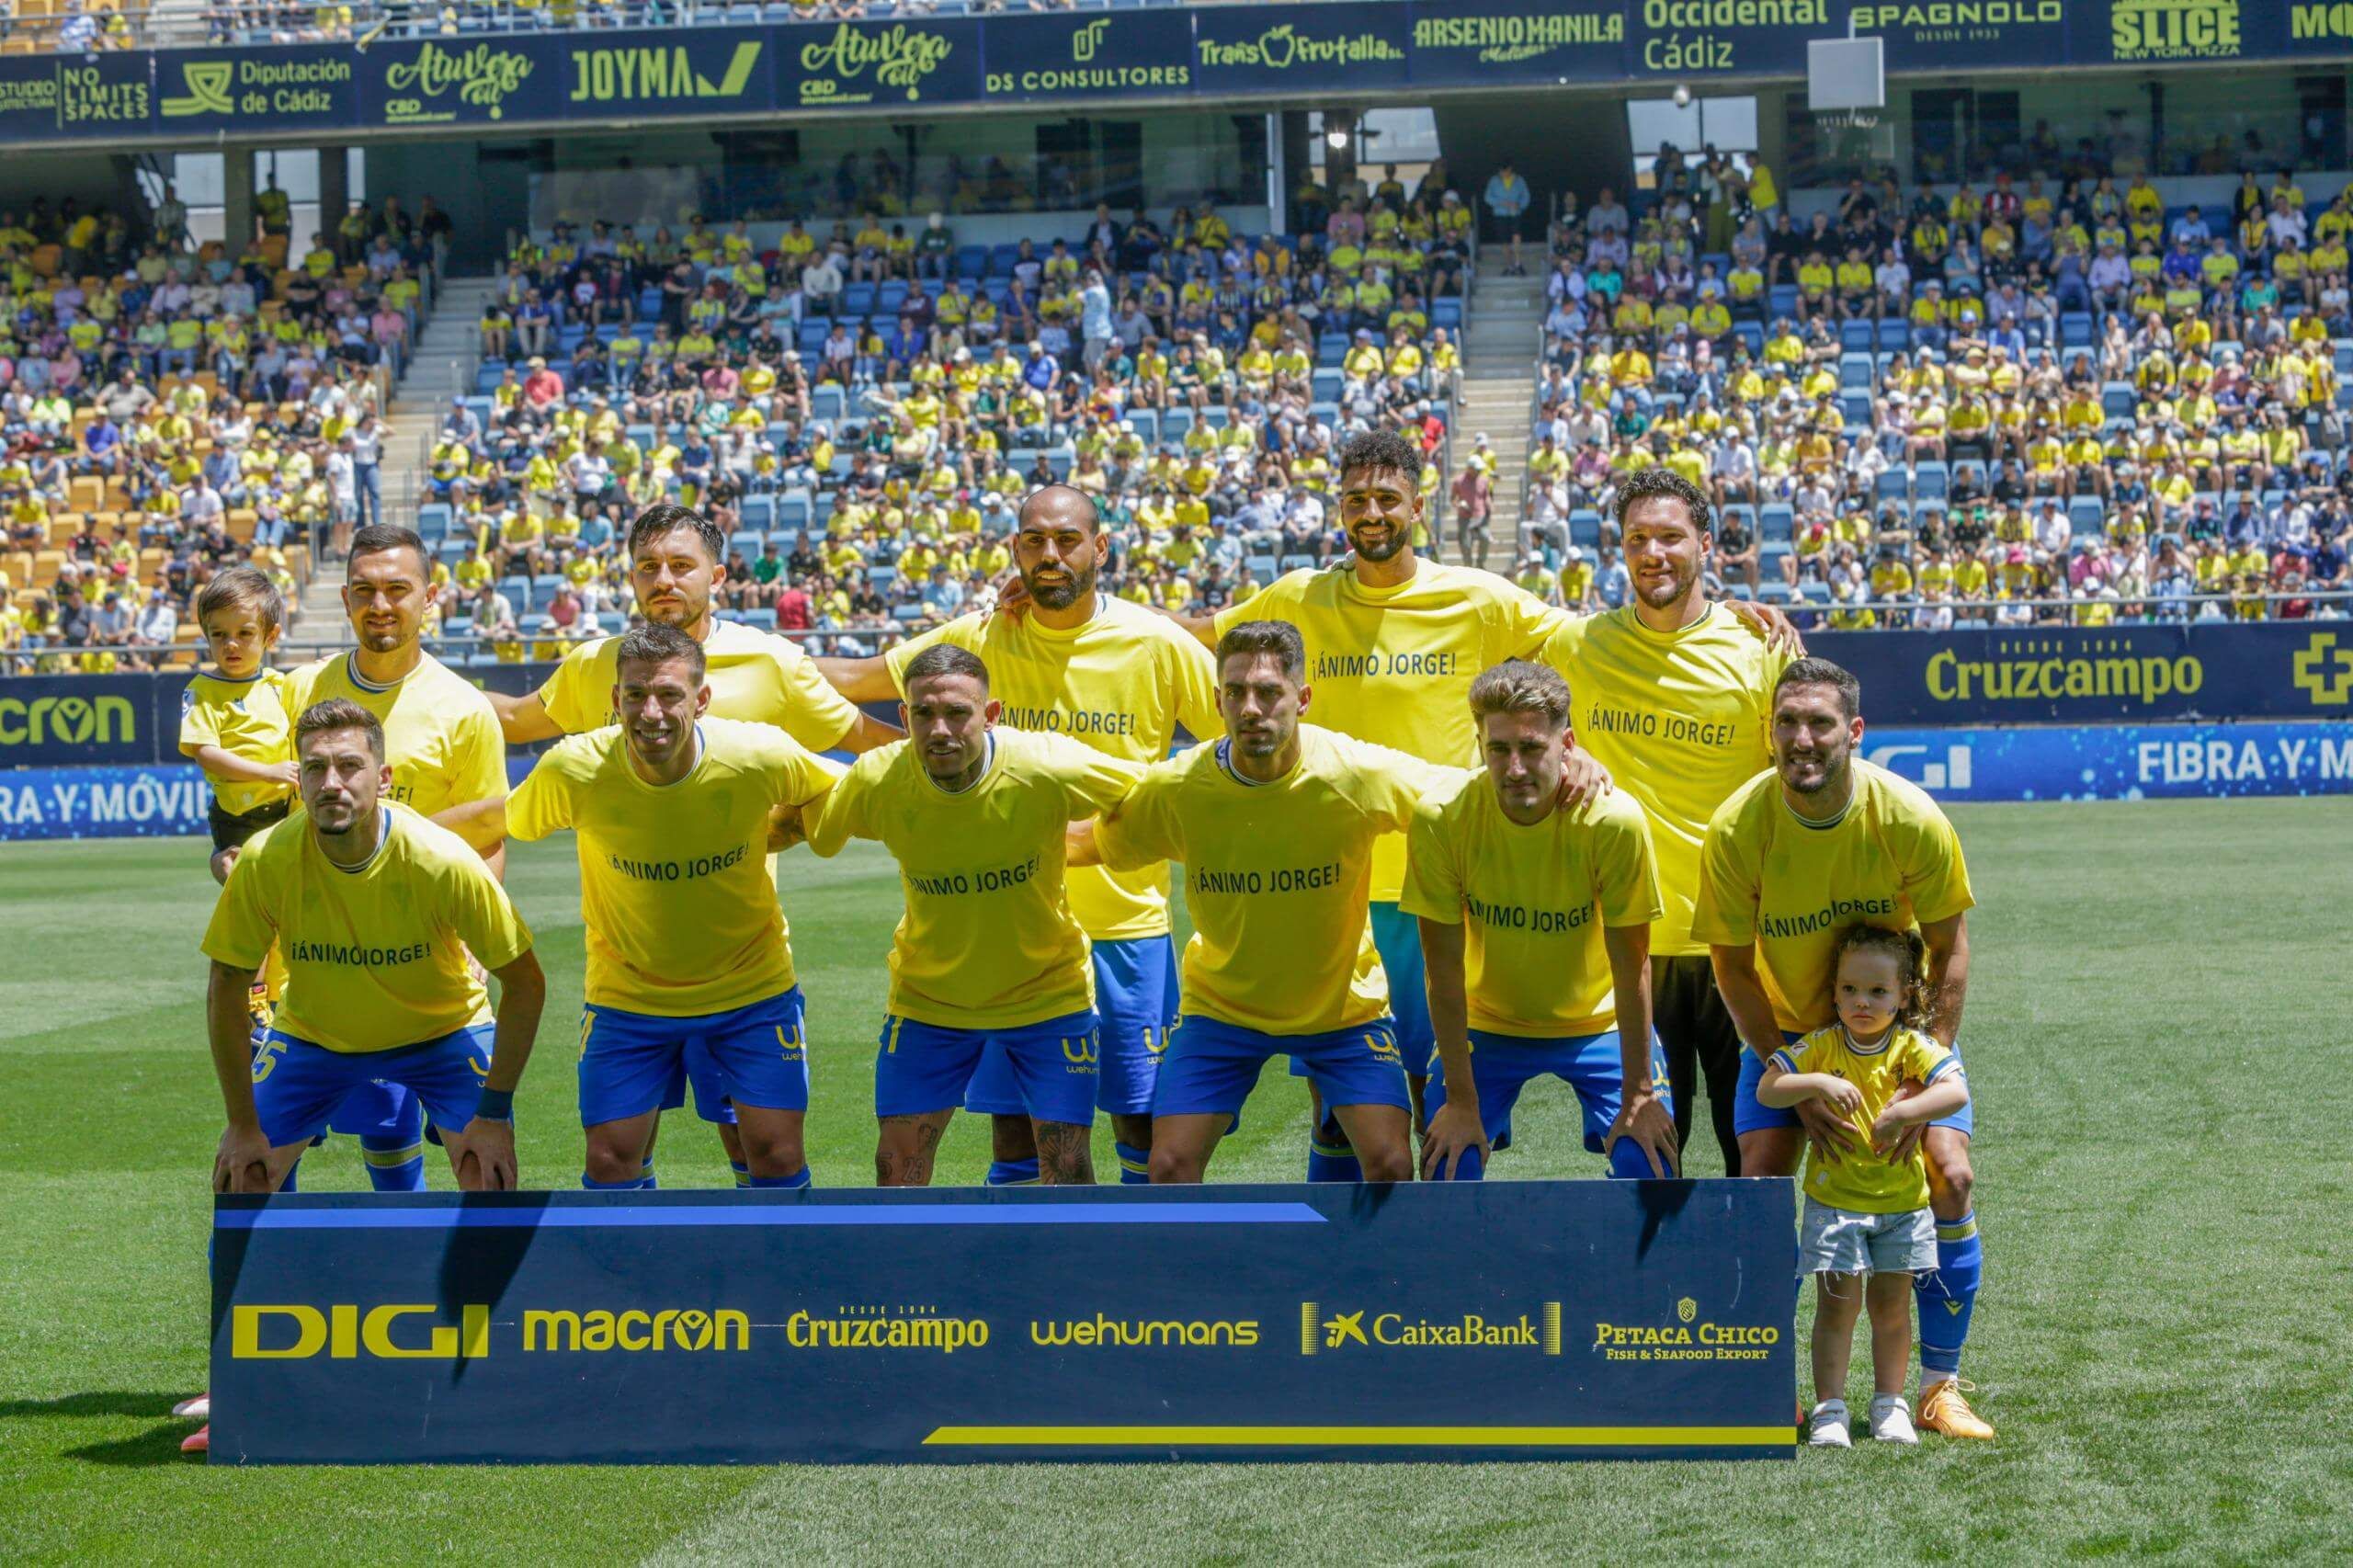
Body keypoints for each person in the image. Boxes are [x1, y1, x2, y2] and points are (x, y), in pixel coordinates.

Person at [815, 484, 1221, 1187]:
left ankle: (1130, 1279)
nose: (1050, 555)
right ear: (1014, 551)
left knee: (1137, 1122)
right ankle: (1019, 1289)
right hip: (1007, 944)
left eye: (1067, 540)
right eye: (1033, 541)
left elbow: (1231, 748)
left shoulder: (1155, 642)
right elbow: (860, 679)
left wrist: (1136, 828)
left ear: (1101, 548)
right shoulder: (978, 636)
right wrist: (726, 654)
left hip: (1122, 924)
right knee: (1015, 1133)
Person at [488, 503, 900, 1187]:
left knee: (754, 1149)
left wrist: (789, 826)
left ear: (718, 573)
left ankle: (761, 1290)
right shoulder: (596, 664)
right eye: (648, 567)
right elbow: (514, 719)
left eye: (682, 566)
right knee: (617, 1158)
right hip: (626, 959)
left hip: (739, 949)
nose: (664, 580)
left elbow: (865, 747)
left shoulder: (772, 662)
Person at [197, 699, 545, 1447]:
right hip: (316, 1036)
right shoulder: (265, 860)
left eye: (349, 765)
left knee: (488, 1172)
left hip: (442, 1030)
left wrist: (496, 1110)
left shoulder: (441, 859)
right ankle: (240, 1379)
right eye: (316, 767)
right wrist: (241, 1121)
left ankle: (492, 1363)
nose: (333, 782)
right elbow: (227, 986)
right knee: (241, 1177)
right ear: (298, 781)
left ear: (382, 777)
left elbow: (527, 982)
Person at [1693, 657, 1995, 1440]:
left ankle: (1937, 1387)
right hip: (1792, 1036)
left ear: (1853, 732)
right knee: (1760, 1182)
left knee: (1951, 1175)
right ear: (1770, 734)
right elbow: (1729, 965)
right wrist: (1786, 1070)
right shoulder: (1736, 827)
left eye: (1820, 722)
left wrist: (1918, 1068)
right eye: (1787, 722)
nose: (1802, 738)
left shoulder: (1908, 817)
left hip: (1896, 1040)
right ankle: (1772, 1388)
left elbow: (1950, 944)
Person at [437, 625, 841, 1191]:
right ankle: (637, 1277)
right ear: (615, 699)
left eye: (670, 695)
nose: (651, 711)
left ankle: (774, 1277)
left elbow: (840, 791)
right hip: (628, 997)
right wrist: (390, 830)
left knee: (775, 1154)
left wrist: (787, 827)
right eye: (635, 695)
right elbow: (495, 819)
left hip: (750, 991)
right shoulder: (574, 769)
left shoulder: (756, 754)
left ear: (701, 700)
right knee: (609, 1161)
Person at [1073, 621, 1453, 1186]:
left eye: (1268, 692)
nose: (1250, 708)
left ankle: (1368, 1272)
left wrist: (1571, 768)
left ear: (1302, 699)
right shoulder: (1180, 786)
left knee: (1392, 1163)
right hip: (1223, 1010)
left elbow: (1462, 795)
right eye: (1234, 692)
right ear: (1218, 699)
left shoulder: (1354, 773)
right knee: (1169, 1165)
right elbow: (1092, 842)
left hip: (1342, 1011)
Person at [800, 645, 1142, 1187]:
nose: (940, 729)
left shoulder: (1044, 764)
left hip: (1046, 996)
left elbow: (1144, 793)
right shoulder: (878, 778)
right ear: (904, 715)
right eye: (922, 714)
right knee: (896, 1170)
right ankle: (909, 1271)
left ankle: (1076, 1270)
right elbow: (817, 827)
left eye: (957, 713)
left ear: (991, 714)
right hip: (929, 999)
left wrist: (1091, 842)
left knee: (1068, 1168)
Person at [1538, 468, 1794, 1178]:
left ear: (1706, 544)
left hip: (1739, 944)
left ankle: (1752, 1293)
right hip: (1630, 946)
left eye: (1671, 536)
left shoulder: (1760, 648)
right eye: (1638, 539)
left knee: (1759, 1155)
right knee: (1648, 1154)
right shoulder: (1577, 647)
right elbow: (1507, 725)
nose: (1654, 552)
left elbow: (1804, 775)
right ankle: (1657, 1296)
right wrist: (1569, 752)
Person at [1403, 661, 1677, 1182]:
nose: (1515, 768)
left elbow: (1634, 965)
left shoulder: (1614, 821)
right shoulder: (1442, 817)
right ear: (1479, 744)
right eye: (1498, 749)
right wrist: (1460, 1101)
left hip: (1598, 1022)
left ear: (1566, 743)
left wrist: (1641, 1095)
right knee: (1447, 1164)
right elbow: (1441, 973)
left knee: (1649, 1165)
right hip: (1488, 1022)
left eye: (1532, 748)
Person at [1760, 925, 1970, 1449]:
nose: (1862, 1002)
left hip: (1903, 1206)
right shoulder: (1822, 1046)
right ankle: (1830, 1410)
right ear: (1833, 992)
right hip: (1834, 1205)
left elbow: (1955, 1090)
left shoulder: (1912, 1048)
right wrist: (1816, 1082)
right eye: (1850, 989)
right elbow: (1769, 1088)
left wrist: (1905, 1112)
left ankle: (1890, 1406)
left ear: (1904, 996)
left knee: (1892, 1309)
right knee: (1835, 1307)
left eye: (1878, 992)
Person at [178, 569, 297, 890]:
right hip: (239, 817)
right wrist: (268, 772)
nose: (231, 644)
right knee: (251, 894)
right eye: (219, 635)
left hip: (288, 809)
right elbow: (206, 753)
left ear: (270, 637)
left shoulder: (277, 684)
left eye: (244, 634)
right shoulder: (202, 690)